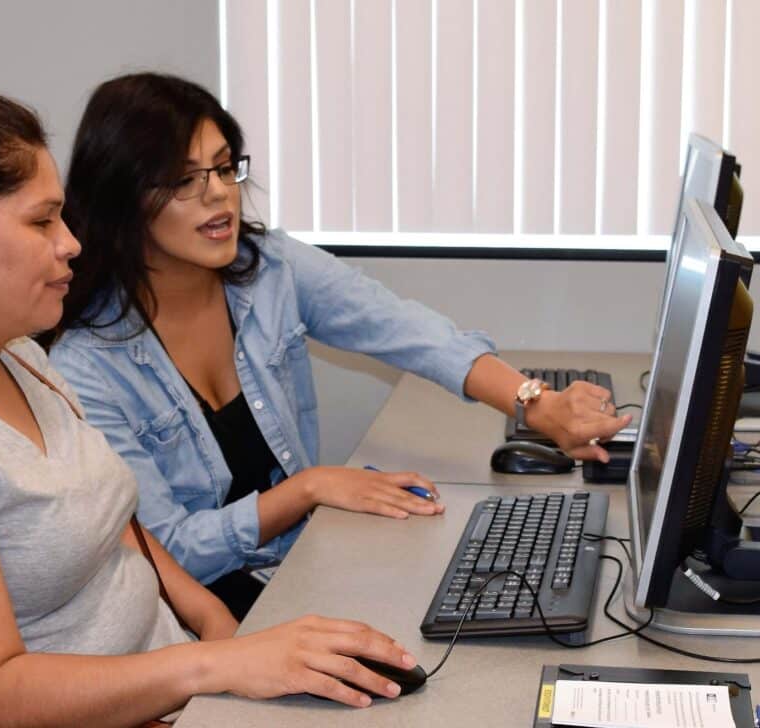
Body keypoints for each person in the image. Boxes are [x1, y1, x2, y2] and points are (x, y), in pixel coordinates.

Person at [0, 39, 421, 727]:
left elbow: (112, 515)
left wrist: (218, 626)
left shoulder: (18, 359)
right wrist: (216, 666)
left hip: (172, 683)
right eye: (42, 221)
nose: (71, 241)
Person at [47, 73, 632, 619]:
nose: (220, 196)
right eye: (185, 180)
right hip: (203, 615)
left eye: (225, 170)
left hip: (302, 564)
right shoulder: (86, 364)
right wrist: (309, 489)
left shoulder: (269, 266)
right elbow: (168, 552)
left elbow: (405, 329)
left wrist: (535, 403)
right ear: (123, 197)